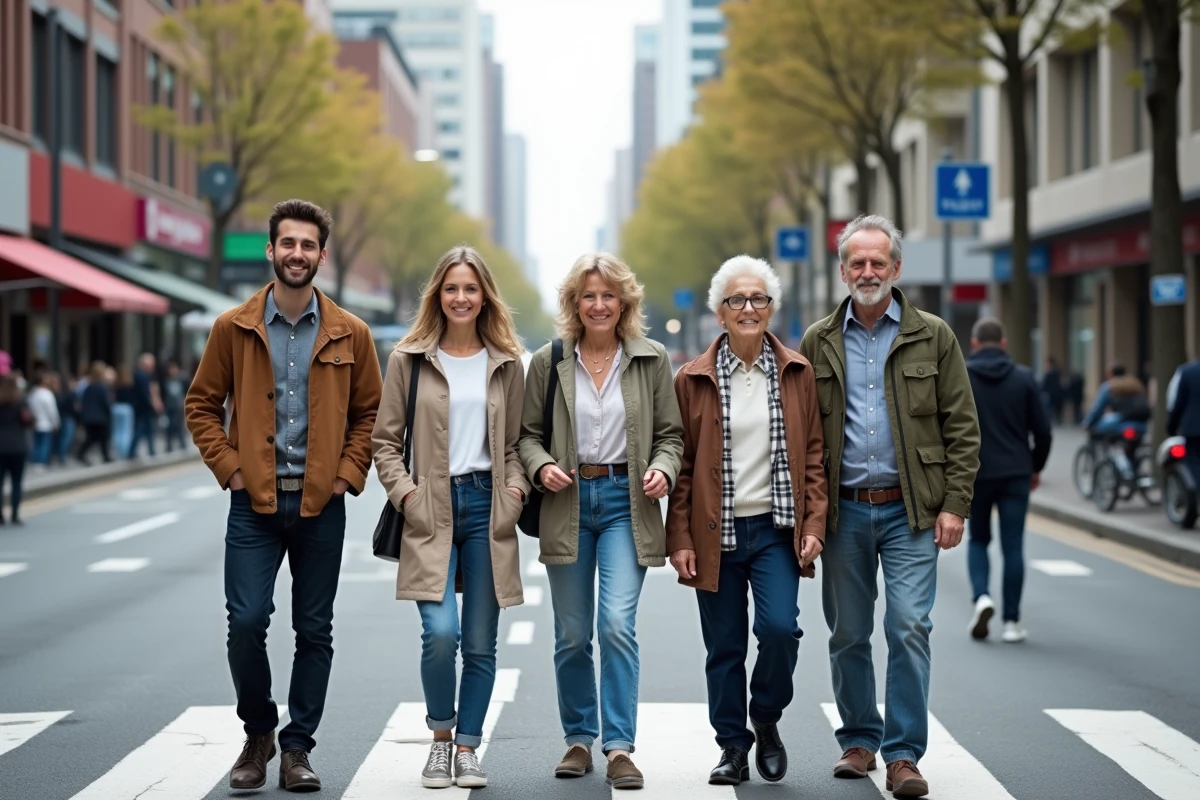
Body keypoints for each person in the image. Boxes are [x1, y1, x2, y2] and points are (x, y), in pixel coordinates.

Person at [185, 199, 382, 792]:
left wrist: (347, 474)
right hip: (254, 505)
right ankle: (258, 733)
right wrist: (232, 469)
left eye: (308, 245)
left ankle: (298, 749)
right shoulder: (233, 327)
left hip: (322, 505)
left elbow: (370, 413)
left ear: (322, 254)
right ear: (271, 251)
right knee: (245, 622)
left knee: (313, 630)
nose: (298, 254)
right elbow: (201, 406)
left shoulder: (353, 332)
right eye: (287, 244)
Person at [798, 214, 980, 799]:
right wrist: (807, 514)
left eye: (879, 262)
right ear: (844, 269)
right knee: (848, 631)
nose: (868, 271)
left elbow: (963, 427)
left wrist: (954, 504)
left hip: (911, 512)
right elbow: (801, 434)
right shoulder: (818, 340)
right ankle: (858, 741)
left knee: (908, 627)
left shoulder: (935, 336)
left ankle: (904, 754)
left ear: (896, 268)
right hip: (845, 511)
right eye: (858, 262)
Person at [519, 253, 683, 791]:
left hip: (625, 503)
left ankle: (618, 746)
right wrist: (541, 466)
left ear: (624, 302)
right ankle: (577, 739)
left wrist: (662, 468)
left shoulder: (651, 359)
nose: (598, 305)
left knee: (615, 624)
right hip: (566, 504)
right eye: (588, 296)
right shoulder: (549, 361)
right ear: (574, 303)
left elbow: (671, 435)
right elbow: (527, 435)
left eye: (608, 295)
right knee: (571, 634)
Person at [372, 246, 530, 790]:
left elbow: (515, 445)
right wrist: (408, 496)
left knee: (482, 643)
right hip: (430, 509)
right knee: (441, 634)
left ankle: (468, 748)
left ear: (484, 295)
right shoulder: (408, 358)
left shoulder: (506, 361)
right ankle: (440, 740)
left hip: (489, 509)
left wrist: (513, 489)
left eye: (470, 288)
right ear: (437, 294)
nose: (461, 298)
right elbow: (385, 443)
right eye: (451, 288)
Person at [667, 255, 828, 786]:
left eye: (758, 298)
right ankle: (733, 747)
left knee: (781, 630)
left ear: (771, 308)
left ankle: (766, 715)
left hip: (777, 530)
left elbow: (813, 455)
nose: (748, 308)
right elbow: (683, 464)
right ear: (720, 312)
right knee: (726, 646)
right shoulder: (692, 379)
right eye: (737, 299)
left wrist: (814, 524)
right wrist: (681, 537)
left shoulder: (797, 371)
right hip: (716, 532)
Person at [965, 318, 1052, 644]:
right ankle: (1012, 622)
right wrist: (1035, 467)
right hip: (1016, 470)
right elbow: (1043, 431)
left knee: (978, 540)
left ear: (974, 343)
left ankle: (982, 597)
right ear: (1003, 343)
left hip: (976, 472)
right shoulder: (1024, 377)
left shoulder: (963, 376)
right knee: (1013, 545)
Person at [1082, 363, 1150, 441]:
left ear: (1110, 374)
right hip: (1140, 423)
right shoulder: (1136, 384)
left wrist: (1088, 423)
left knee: (1098, 428)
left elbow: (1097, 409)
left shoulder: (1109, 386)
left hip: (1121, 421)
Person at [1167, 356, 1200, 486]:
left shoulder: (1187, 372)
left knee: (1194, 463)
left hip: (1194, 429)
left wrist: (1171, 427)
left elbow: (1178, 403)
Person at [0, 375, 29, 524]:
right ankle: (15, 514)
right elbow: (27, 420)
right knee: (16, 482)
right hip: (17, 445)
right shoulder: (20, 402)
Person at [78, 361, 114, 465]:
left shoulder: (89, 387)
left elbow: (83, 402)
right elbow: (106, 403)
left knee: (93, 437)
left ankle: (104, 456)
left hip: (89, 417)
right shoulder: (103, 387)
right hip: (100, 417)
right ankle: (82, 454)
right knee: (101, 437)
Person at [129, 353, 163, 458]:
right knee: (140, 430)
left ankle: (151, 450)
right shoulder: (140, 375)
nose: (153, 367)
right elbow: (146, 393)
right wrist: (153, 404)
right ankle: (131, 452)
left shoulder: (145, 375)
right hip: (142, 408)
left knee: (148, 430)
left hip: (145, 408)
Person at [27, 372, 60, 467]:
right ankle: (41, 462)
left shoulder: (32, 393)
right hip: (46, 423)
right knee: (44, 444)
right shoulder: (47, 394)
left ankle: (36, 461)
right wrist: (56, 422)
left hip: (35, 422)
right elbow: (52, 410)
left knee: (37, 443)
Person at [161, 360, 189, 452]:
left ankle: (182, 444)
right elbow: (163, 394)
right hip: (169, 407)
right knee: (169, 427)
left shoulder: (182, 380)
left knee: (179, 426)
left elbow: (187, 392)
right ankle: (169, 446)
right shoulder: (165, 381)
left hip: (179, 407)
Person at [1041, 357, 1064, 426]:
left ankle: (1052, 419)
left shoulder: (1050, 373)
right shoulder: (1057, 372)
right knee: (1056, 408)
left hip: (1051, 394)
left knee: (1050, 408)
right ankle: (1056, 419)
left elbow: (1044, 385)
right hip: (1056, 393)